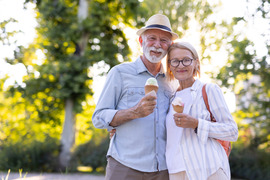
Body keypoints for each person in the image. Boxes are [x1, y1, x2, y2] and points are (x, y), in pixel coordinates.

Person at [92, 14, 179, 180]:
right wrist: (133, 112)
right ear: (141, 41)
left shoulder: (173, 80)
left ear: (170, 46)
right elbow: (98, 117)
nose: (157, 45)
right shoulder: (120, 73)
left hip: (163, 170)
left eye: (164, 41)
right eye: (152, 38)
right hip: (124, 167)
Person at [165, 41, 238, 180]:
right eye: (175, 61)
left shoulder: (209, 90)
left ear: (196, 63)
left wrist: (197, 124)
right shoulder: (169, 98)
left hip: (208, 170)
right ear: (169, 66)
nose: (181, 65)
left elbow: (232, 131)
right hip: (175, 172)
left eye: (186, 60)